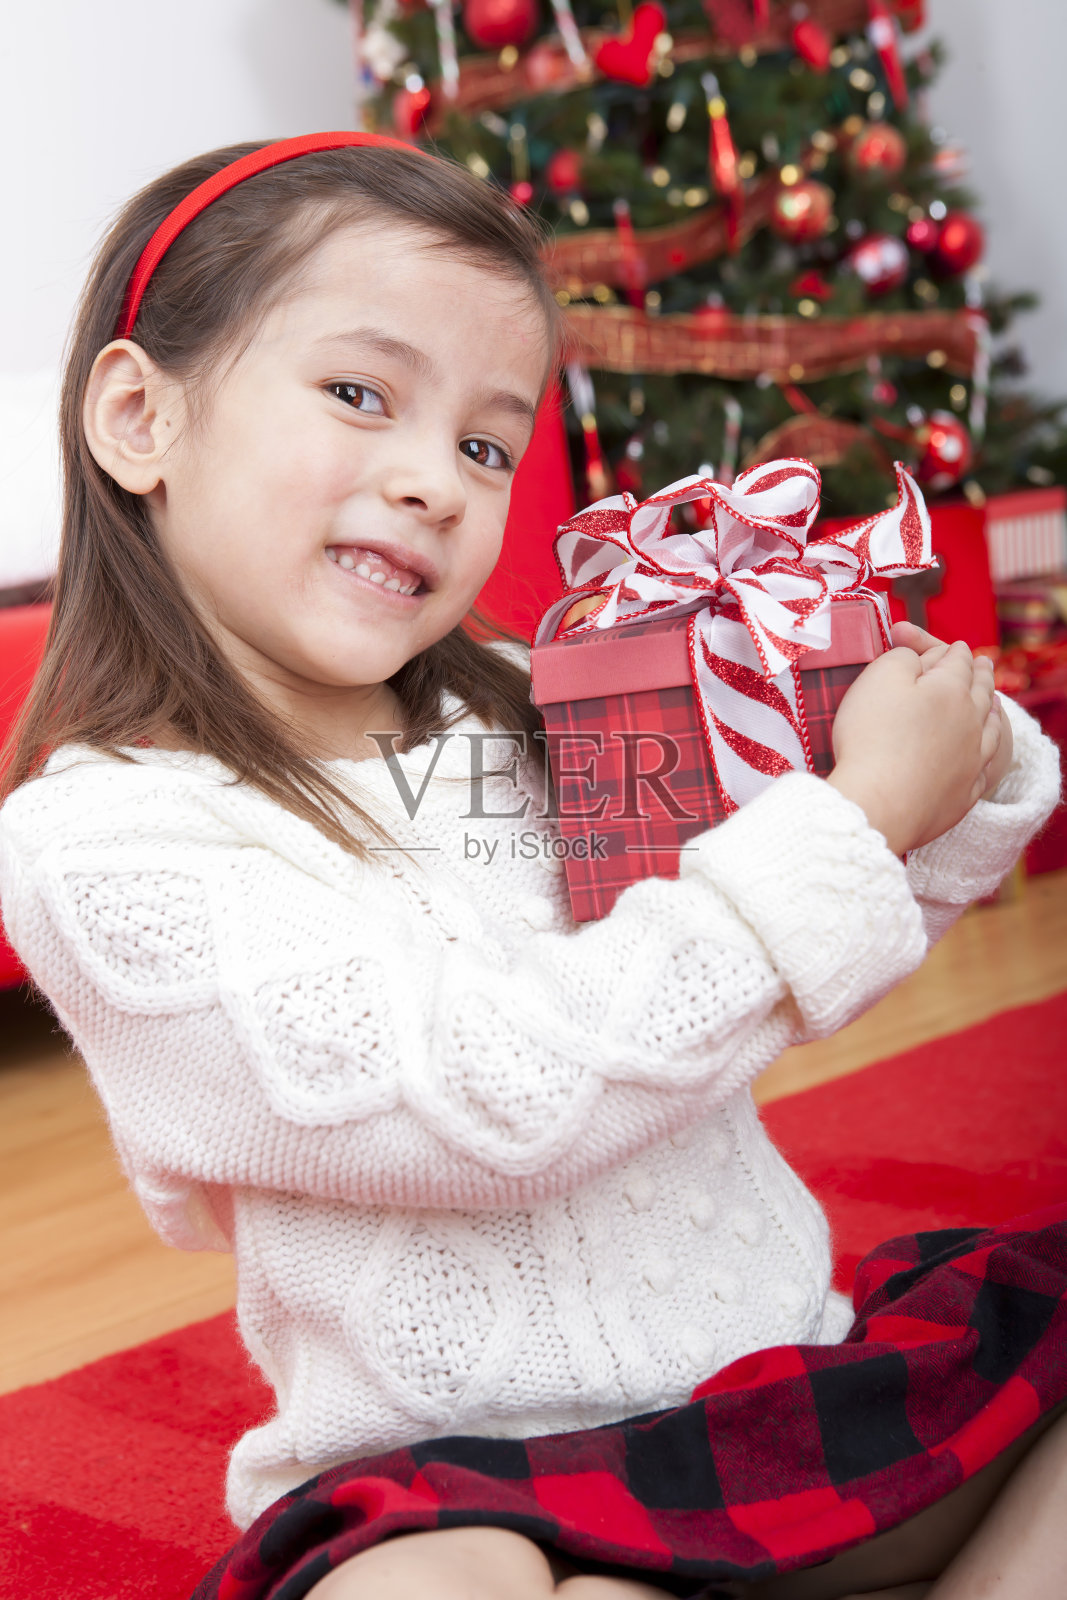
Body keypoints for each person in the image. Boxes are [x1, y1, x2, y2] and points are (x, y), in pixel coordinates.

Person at [0, 131, 1063, 1600]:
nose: (436, 480)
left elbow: (833, 932)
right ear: (139, 416)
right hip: (461, 1488)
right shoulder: (99, 841)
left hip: (766, 1418)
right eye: (361, 394)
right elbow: (491, 1094)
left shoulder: (533, 716)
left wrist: (935, 749)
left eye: (485, 444)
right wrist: (855, 820)